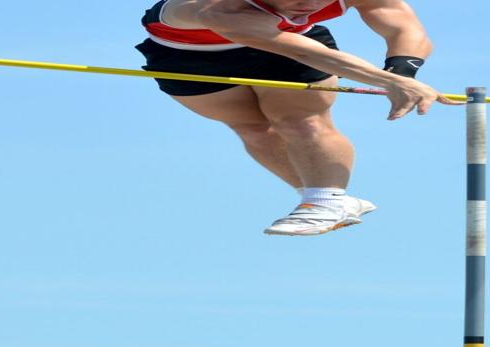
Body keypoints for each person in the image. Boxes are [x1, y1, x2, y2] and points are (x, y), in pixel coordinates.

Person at [135, 0, 463, 236]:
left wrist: (401, 72)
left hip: (295, 43)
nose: (308, 4)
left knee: (301, 120)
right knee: (255, 130)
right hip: (189, 54)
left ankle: (325, 200)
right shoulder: (221, 7)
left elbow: (402, 23)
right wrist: (388, 82)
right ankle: (332, 200)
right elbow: (299, 50)